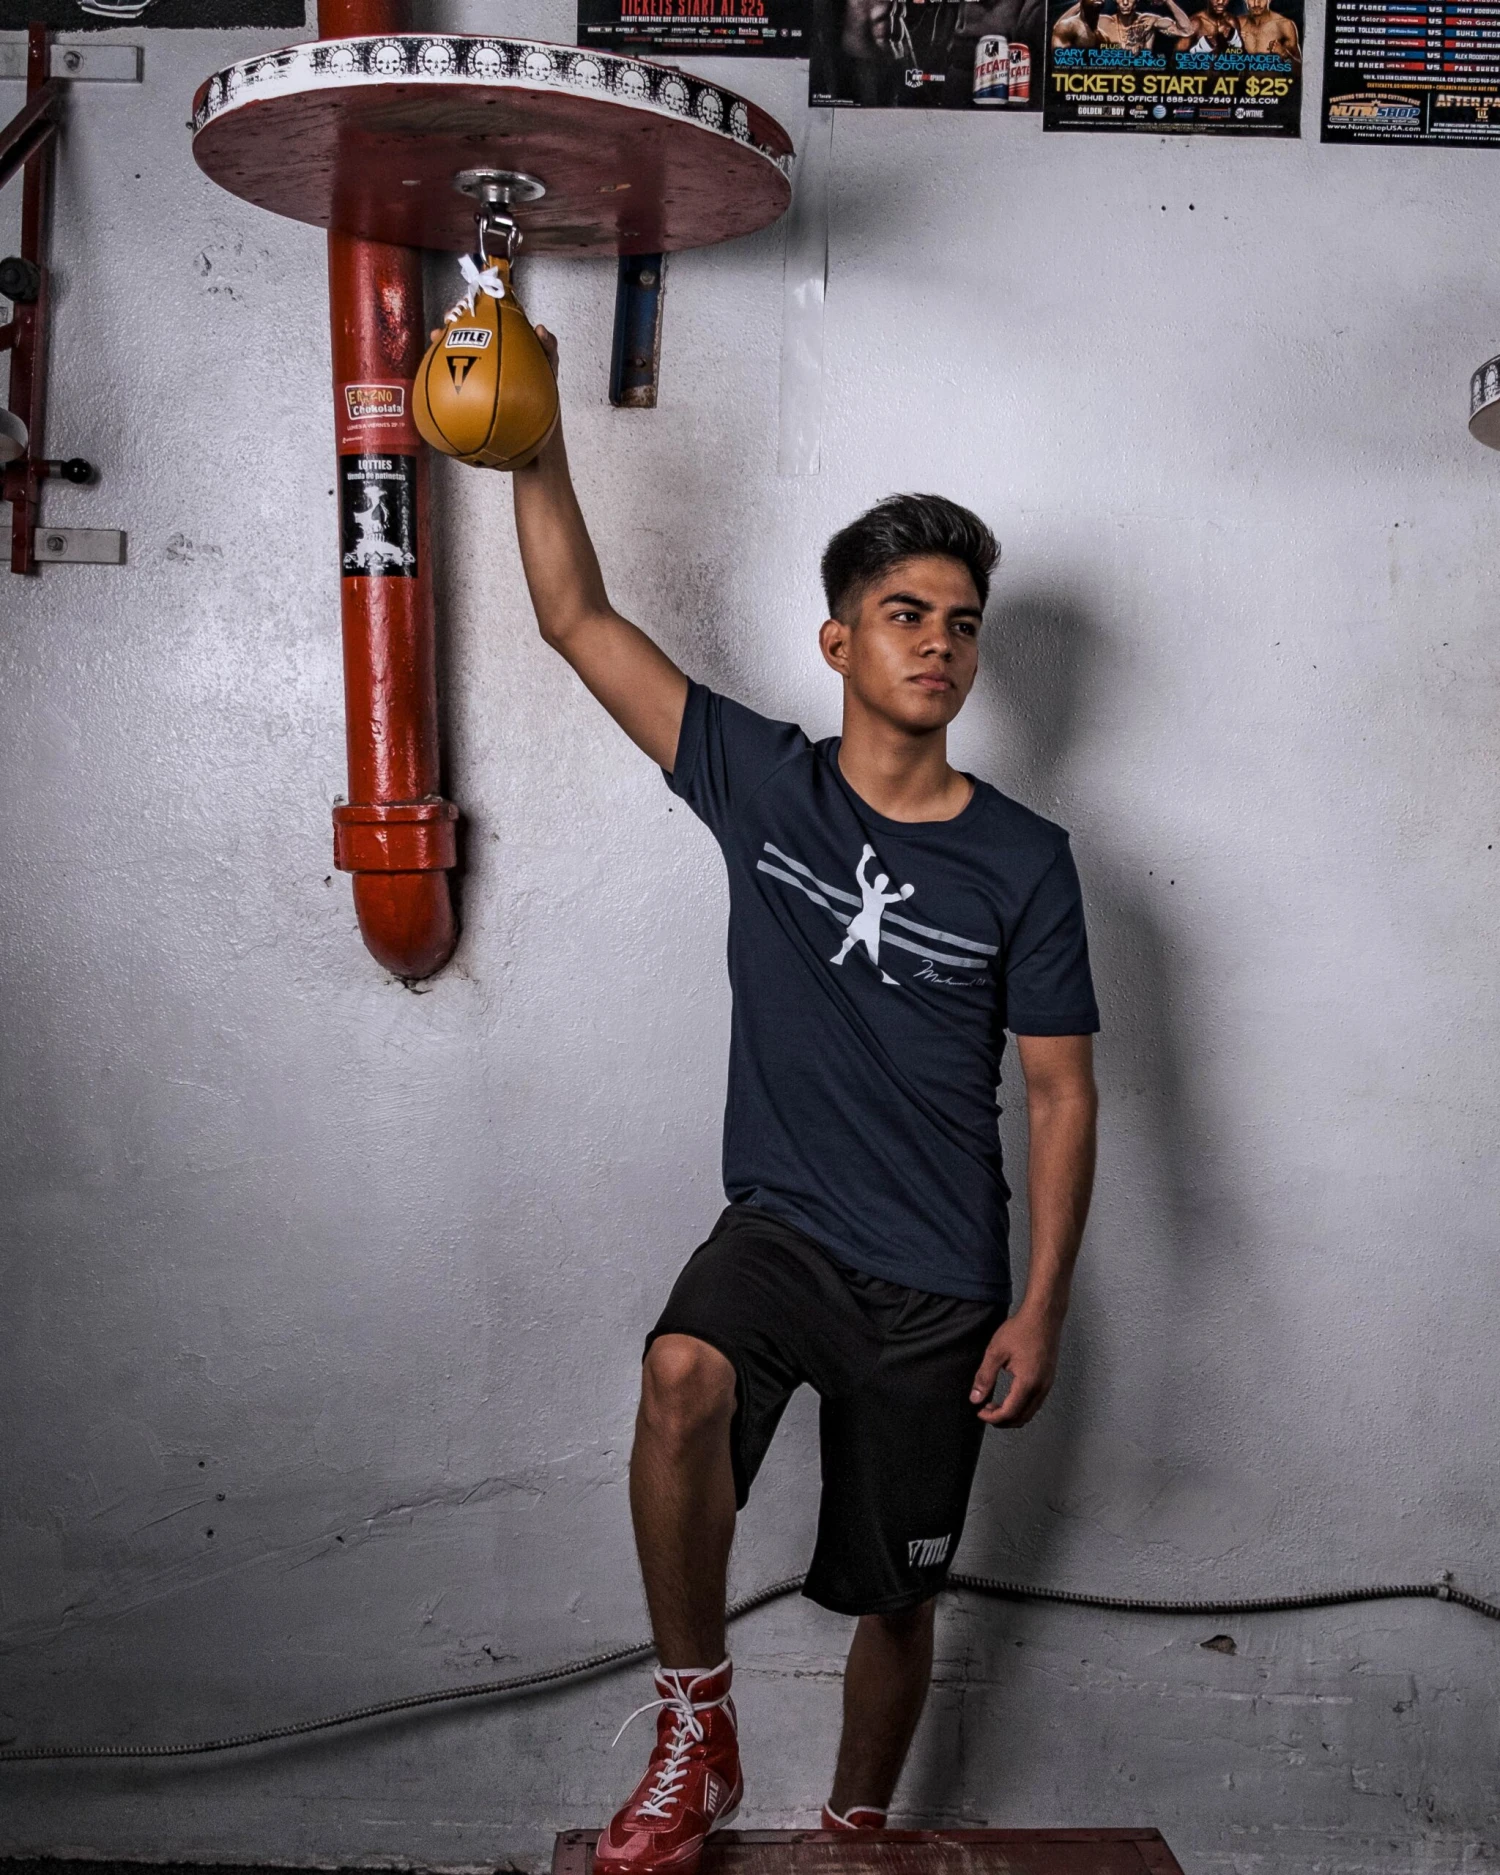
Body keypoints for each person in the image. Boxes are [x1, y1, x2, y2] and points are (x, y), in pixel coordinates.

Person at [512, 331, 1100, 1875]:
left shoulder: (1025, 860)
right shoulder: (762, 781)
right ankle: (695, 1729)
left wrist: (1040, 1302)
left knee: (897, 1596)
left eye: (961, 624)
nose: (938, 643)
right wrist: (531, 437)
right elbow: (577, 618)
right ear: (838, 640)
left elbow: (1059, 1094)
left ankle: (853, 1830)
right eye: (905, 613)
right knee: (679, 1374)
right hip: (784, 1230)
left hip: (942, 1276)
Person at [1236, 0, 1300, 69]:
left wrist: (1283, 54)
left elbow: (1299, 69)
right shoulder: (1237, 24)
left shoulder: (1284, 25)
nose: (1256, 4)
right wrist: (1235, 44)